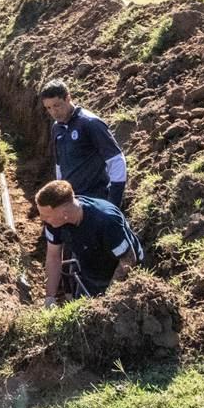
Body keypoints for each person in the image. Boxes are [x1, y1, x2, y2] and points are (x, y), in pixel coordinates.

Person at [37, 180, 144, 308]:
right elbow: (53, 256)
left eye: (46, 215)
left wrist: (109, 298)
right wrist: (50, 297)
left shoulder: (106, 220)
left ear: (63, 213)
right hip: (90, 270)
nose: (42, 219)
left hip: (122, 273)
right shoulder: (54, 222)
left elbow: (128, 259)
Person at [41, 79, 127, 207]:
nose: (54, 112)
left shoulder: (90, 123)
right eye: (48, 108)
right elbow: (60, 165)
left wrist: (113, 203)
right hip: (72, 201)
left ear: (68, 98)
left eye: (57, 105)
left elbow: (116, 160)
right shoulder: (57, 128)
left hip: (95, 200)